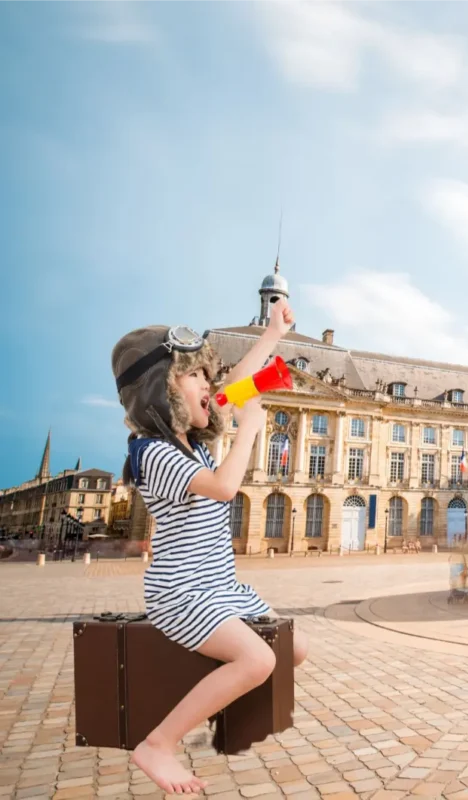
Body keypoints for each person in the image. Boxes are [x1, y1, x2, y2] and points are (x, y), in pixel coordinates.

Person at [110, 301, 308, 795]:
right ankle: (160, 742)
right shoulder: (153, 453)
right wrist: (250, 429)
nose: (208, 385)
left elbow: (242, 381)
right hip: (182, 592)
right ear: (161, 390)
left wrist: (271, 336)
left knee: (294, 649)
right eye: (195, 376)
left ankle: (204, 690)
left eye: (205, 374)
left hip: (221, 587)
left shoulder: (190, 439)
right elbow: (223, 488)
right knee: (257, 662)